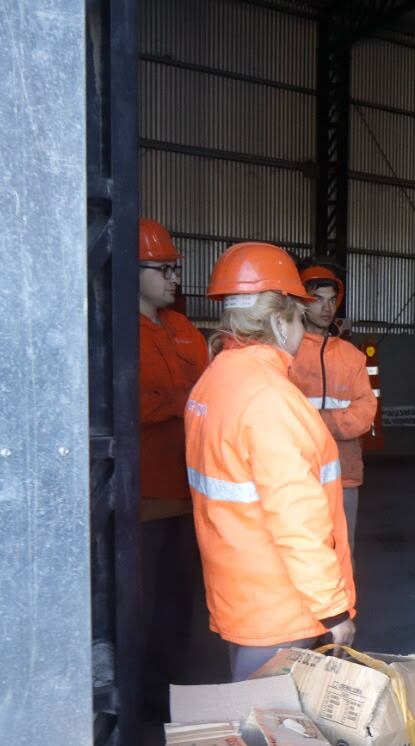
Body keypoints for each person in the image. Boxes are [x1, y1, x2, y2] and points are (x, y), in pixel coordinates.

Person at [184, 242, 357, 681]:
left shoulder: (215, 380)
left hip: (239, 584)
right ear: (280, 323)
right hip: (277, 598)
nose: (303, 329)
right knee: (267, 730)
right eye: (300, 317)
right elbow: (296, 519)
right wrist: (333, 608)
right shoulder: (271, 400)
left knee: (251, 706)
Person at [136, 218, 208, 716]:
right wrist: (182, 400)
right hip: (143, 499)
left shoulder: (184, 330)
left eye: (173, 269)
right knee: (140, 607)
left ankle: (170, 695)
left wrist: (175, 400)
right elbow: (130, 403)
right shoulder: (114, 331)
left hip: (189, 495)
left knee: (179, 602)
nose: (173, 278)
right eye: (162, 269)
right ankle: (140, 700)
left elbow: (207, 392)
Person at [288, 265, 377, 552]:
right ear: (302, 302)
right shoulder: (287, 352)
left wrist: (317, 422)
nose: (326, 308)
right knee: (302, 550)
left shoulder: (352, 357)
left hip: (344, 473)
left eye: (331, 300)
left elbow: (365, 411)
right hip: (298, 472)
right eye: (318, 299)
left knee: (342, 549)